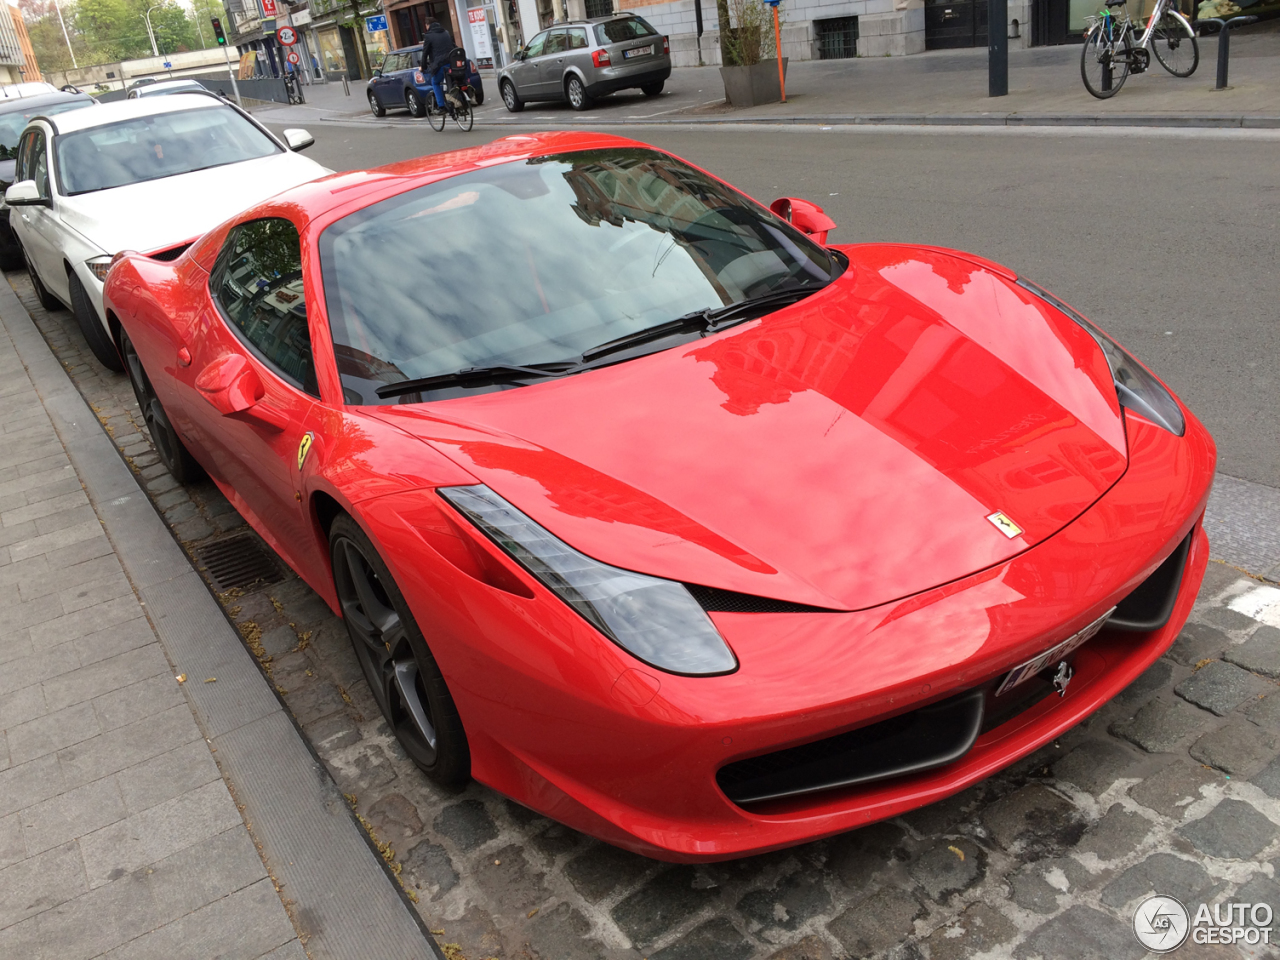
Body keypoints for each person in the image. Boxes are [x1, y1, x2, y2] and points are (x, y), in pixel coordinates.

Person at [420, 18, 456, 110]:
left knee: (435, 82)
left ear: (428, 25)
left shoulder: (428, 36)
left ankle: (441, 106)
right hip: (451, 62)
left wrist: (423, 67)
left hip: (440, 65)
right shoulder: (446, 32)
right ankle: (455, 100)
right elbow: (453, 46)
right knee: (451, 81)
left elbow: (425, 54)